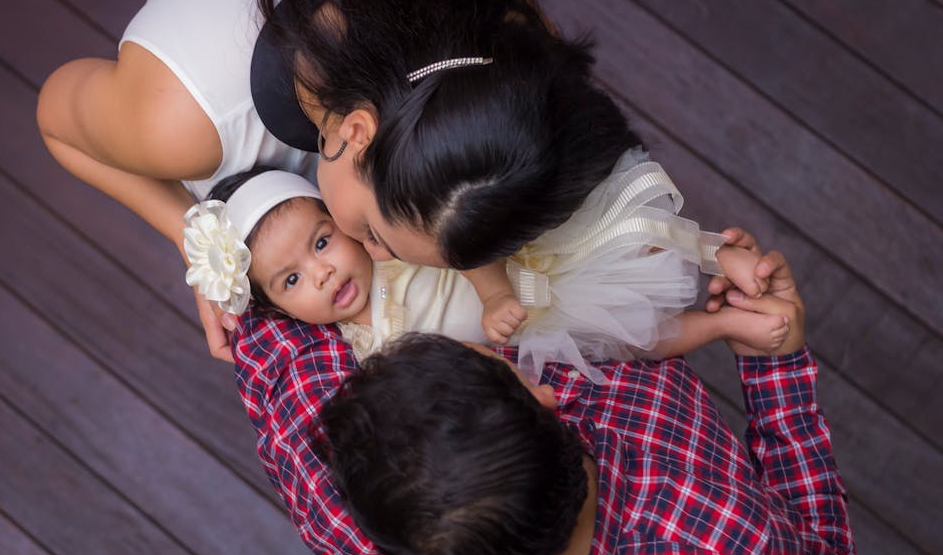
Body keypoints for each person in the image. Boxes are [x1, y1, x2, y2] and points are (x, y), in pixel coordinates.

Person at [231, 231, 857, 555]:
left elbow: (262, 326)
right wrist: (773, 369)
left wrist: (231, 272)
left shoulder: (341, 506)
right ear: (543, 393)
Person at [36, 0, 646, 360]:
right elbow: (57, 122)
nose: (375, 258)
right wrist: (194, 237)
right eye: (375, 235)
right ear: (355, 132)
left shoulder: (503, 40)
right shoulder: (179, 126)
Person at [185, 167, 789, 381]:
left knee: (617, 227)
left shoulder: (390, 249)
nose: (319, 275)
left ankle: (716, 252)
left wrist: (490, 289)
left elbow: (452, 239)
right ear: (280, 311)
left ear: (346, 223)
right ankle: (721, 324)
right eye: (290, 282)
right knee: (631, 341)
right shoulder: (362, 354)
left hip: (525, 261)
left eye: (322, 242)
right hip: (540, 332)